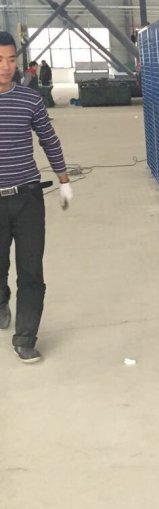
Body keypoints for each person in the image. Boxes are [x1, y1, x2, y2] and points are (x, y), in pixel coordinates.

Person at [0, 32, 73, 363]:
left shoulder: (29, 100)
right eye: (0, 60)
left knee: (31, 270)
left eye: (11, 60)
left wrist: (64, 179)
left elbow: (49, 139)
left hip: (28, 197)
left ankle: (25, 336)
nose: (6, 67)